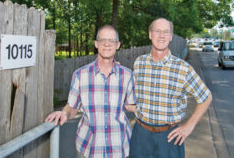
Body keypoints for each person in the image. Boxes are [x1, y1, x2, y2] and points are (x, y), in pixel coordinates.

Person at [45, 25, 136, 158]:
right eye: (102, 40)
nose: (106, 44)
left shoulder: (128, 76)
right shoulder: (80, 75)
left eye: (111, 40)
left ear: (118, 45)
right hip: (88, 147)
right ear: (96, 43)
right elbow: (72, 107)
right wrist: (64, 113)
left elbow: (132, 106)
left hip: (120, 148)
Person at [130, 18, 212, 158]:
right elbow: (135, 93)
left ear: (170, 36)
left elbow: (206, 97)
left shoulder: (183, 68)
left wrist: (189, 126)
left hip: (169, 138)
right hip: (140, 135)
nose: (161, 35)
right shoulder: (139, 63)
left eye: (166, 32)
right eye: (157, 31)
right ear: (150, 34)